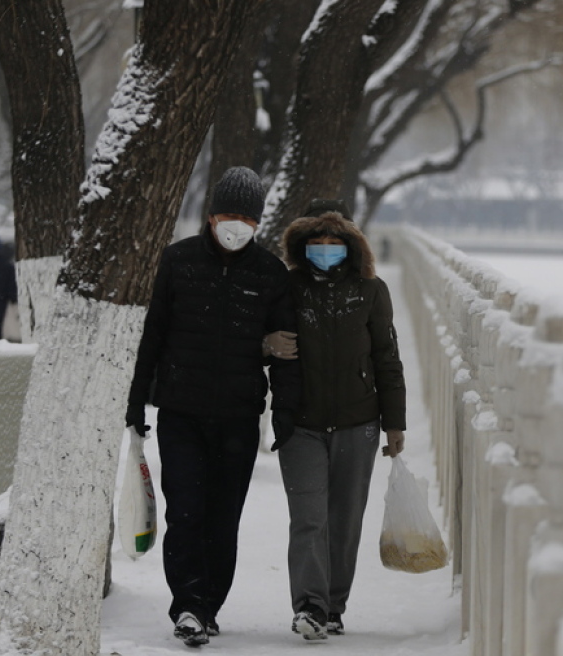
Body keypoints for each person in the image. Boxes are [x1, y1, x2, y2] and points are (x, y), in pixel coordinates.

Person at [125, 166, 300, 647]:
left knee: (223, 517)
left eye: (247, 217)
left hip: (239, 418)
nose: (236, 225)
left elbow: (286, 351)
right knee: (185, 512)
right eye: (228, 214)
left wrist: (283, 413)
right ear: (210, 214)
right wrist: (136, 401)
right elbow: (152, 336)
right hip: (180, 412)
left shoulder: (269, 274)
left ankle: (208, 606)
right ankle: (187, 604)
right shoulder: (177, 262)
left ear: (258, 223)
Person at [273, 204, 406, 640]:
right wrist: (266, 345)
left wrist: (394, 424)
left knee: (344, 520)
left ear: (350, 245)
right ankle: (310, 606)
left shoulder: (370, 290)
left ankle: (333, 605)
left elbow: (387, 357)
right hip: (301, 425)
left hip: (358, 423)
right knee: (309, 518)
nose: (325, 249)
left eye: (334, 242)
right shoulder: (287, 288)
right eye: (316, 242)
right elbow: (258, 342)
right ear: (302, 246)